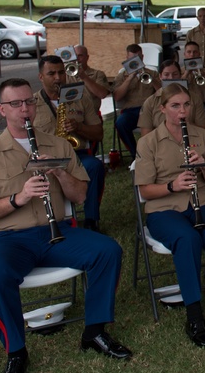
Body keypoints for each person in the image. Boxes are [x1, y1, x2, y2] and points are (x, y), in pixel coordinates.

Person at [0, 78, 131, 373]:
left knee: (107, 251)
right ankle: (16, 352)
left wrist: (58, 172)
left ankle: (94, 331)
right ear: (3, 110)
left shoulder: (57, 145)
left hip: (57, 232)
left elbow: (81, 195)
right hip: (10, 238)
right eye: (16, 104)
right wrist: (19, 197)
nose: (25, 109)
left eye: (29, 102)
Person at [135, 85, 205, 346]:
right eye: (175, 106)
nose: (182, 111)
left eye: (186, 105)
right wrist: (172, 185)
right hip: (163, 208)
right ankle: (195, 315)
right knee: (187, 238)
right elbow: (145, 190)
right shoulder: (148, 142)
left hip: (202, 200)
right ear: (162, 108)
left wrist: (202, 163)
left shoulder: (201, 135)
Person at [34, 55, 106, 232]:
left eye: (61, 73)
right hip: (46, 159)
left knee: (95, 166)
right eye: (51, 73)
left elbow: (99, 133)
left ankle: (91, 220)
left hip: (76, 156)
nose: (58, 78)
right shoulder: (32, 104)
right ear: (41, 77)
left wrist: (78, 127)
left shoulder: (80, 98)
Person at [113, 43, 161, 160]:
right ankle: (136, 155)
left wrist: (150, 77)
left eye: (138, 58)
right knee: (120, 123)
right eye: (132, 59)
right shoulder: (121, 76)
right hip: (130, 111)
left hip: (149, 109)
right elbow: (117, 97)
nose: (136, 61)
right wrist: (130, 78)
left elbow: (162, 92)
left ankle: (158, 153)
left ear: (143, 58)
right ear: (127, 59)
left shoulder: (152, 73)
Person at [138, 60, 205, 137]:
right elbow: (145, 135)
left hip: (190, 141)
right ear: (160, 77)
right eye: (166, 74)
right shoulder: (150, 102)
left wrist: (185, 123)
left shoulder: (195, 98)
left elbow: (203, 131)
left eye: (175, 74)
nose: (171, 78)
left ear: (180, 75)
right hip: (160, 144)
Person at [69, 45, 111, 117]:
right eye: (74, 56)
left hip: (92, 115)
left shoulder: (98, 74)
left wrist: (84, 77)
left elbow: (102, 94)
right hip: (72, 115)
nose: (77, 58)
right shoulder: (67, 74)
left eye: (80, 56)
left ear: (87, 57)